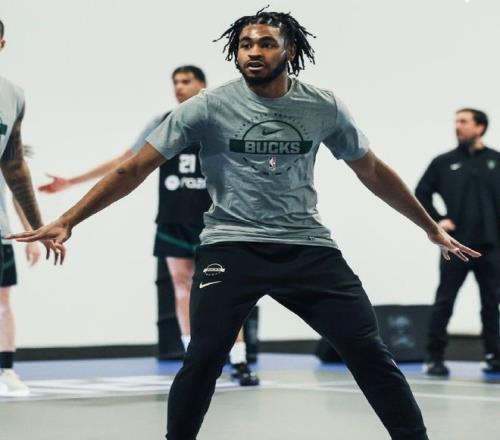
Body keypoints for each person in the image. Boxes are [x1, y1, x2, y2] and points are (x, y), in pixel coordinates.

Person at [9, 9, 480, 439]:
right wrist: (69, 219)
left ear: (289, 50)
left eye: (266, 44)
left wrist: (428, 227)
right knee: (203, 358)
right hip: (231, 247)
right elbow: (134, 168)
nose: (254, 52)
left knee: (369, 351)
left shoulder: (323, 107)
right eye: (245, 45)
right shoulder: (206, 107)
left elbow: (372, 170)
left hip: (308, 247)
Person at [37, 65, 259, 385]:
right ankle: (192, 358)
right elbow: (124, 162)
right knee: (181, 286)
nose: (179, 87)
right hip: (173, 218)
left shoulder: (221, 121)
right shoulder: (163, 122)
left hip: (216, 220)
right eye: (175, 82)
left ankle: (239, 360)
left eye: (186, 81)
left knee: (225, 291)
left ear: (202, 84)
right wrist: (71, 181)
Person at [0, 18, 62, 395]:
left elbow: (14, 167)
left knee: (2, 298)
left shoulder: (13, 96)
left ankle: (5, 370)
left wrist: (38, 228)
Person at [416, 108, 500, 376]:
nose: (457, 126)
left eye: (463, 121)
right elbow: (420, 194)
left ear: (480, 127)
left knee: (492, 304)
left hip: (491, 247)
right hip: (455, 247)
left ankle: (495, 356)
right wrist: (439, 220)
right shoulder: (443, 162)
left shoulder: (496, 161)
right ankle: (434, 357)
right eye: (456, 121)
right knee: (445, 301)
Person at [0, 170, 41, 396]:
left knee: (3, 302)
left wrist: (32, 235)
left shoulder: (6, 155)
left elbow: (18, 190)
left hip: (2, 236)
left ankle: (6, 370)